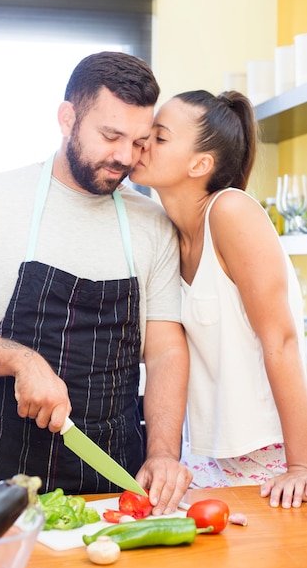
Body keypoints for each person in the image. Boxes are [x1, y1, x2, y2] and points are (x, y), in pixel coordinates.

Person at [0, 51, 192, 514]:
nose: (124, 155)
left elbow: (165, 350)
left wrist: (163, 452)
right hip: (1, 467)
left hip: (114, 469)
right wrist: (22, 360)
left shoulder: (152, 223)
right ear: (67, 118)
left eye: (139, 141)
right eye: (110, 135)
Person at [130, 88, 307, 508]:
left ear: (200, 164)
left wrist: (300, 466)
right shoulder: (166, 231)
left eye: (160, 136)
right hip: (208, 456)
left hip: (274, 453)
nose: (143, 144)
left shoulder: (230, 212)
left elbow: (280, 340)